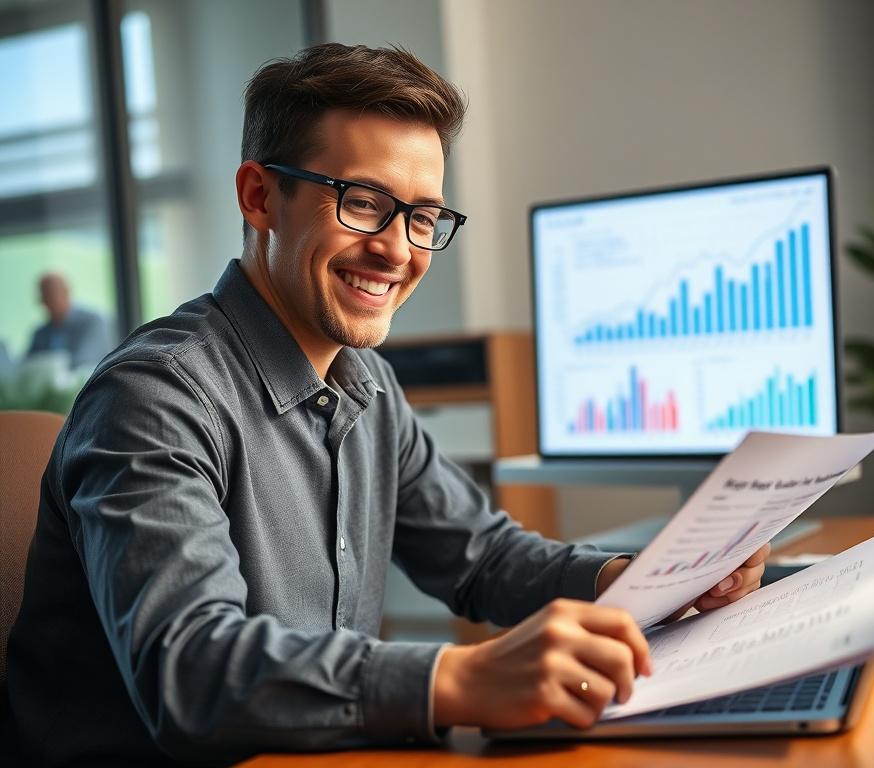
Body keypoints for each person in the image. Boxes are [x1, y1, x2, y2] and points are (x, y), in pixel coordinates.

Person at [6, 44, 769, 766]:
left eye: (424, 216)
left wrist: (642, 582)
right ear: (260, 196)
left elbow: (483, 558)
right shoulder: (153, 397)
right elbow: (194, 672)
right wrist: (456, 680)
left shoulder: (368, 384)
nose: (400, 249)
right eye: (364, 202)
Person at [25, 273, 112, 370]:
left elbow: (85, 361)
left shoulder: (92, 322)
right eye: (44, 298)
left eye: (51, 296)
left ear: (66, 293)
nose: (48, 303)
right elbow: (27, 366)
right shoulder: (40, 334)